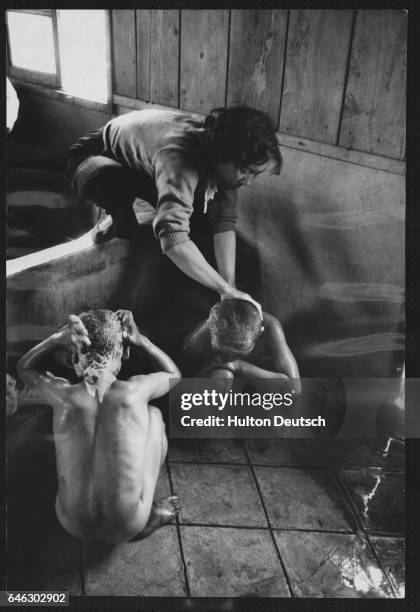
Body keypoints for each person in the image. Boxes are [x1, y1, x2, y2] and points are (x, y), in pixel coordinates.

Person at [67, 106, 283, 316]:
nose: (249, 183)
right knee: (128, 225)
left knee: (197, 220)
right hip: (94, 158)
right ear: (224, 155)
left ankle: (125, 211)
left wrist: (230, 287)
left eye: (255, 175)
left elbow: (224, 223)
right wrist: (223, 290)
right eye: (246, 172)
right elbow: (173, 239)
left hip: (141, 165)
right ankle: (114, 216)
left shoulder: (219, 161)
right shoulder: (180, 159)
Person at [17, 309, 181, 544]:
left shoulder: (62, 395)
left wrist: (56, 338)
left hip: (71, 523)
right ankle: (148, 514)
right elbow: (174, 374)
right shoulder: (135, 391)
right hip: (129, 524)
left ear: (75, 358)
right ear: (124, 354)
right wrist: (141, 340)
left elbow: (25, 369)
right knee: (153, 416)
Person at [183, 298, 301, 395]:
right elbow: (188, 366)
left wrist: (237, 365)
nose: (228, 358)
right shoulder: (203, 334)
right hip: (214, 380)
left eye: (237, 353)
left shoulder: (270, 326)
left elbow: (295, 389)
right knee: (222, 375)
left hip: (253, 383)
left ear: (260, 332)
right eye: (223, 352)